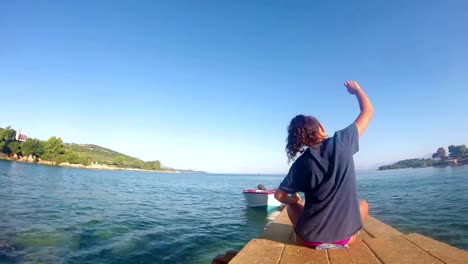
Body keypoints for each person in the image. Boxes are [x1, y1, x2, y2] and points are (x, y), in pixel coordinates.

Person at [274, 80, 373, 247]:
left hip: (309, 240)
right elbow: (368, 111)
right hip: (344, 240)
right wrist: (357, 91)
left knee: (292, 207)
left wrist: (295, 201)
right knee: (363, 205)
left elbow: (279, 196)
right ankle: (347, 234)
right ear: (320, 126)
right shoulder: (342, 141)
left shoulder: (301, 163)